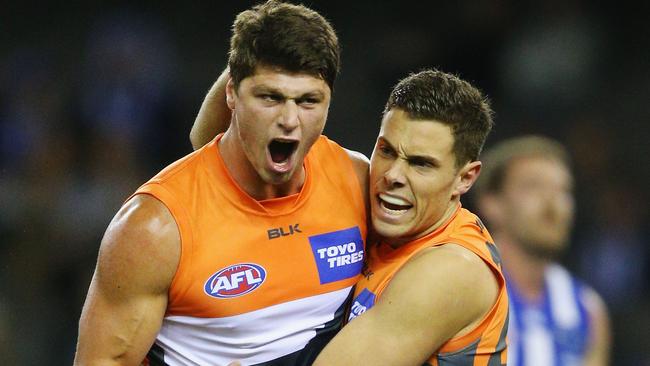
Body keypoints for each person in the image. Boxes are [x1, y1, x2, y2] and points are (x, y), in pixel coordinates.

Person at [74, 1, 370, 365]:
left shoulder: (356, 181)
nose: (290, 120)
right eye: (270, 97)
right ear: (231, 93)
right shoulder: (155, 229)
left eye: (309, 101)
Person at [309, 70, 509, 365]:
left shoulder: (453, 269)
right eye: (387, 151)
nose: (393, 176)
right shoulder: (379, 209)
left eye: (420, 164)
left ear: (464, 179)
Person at [472, 135, 611, 366]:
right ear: (492, 204)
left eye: (563, 190)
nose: (553, 203)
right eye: (533, 186)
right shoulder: (463, 288)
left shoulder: (587, 308)